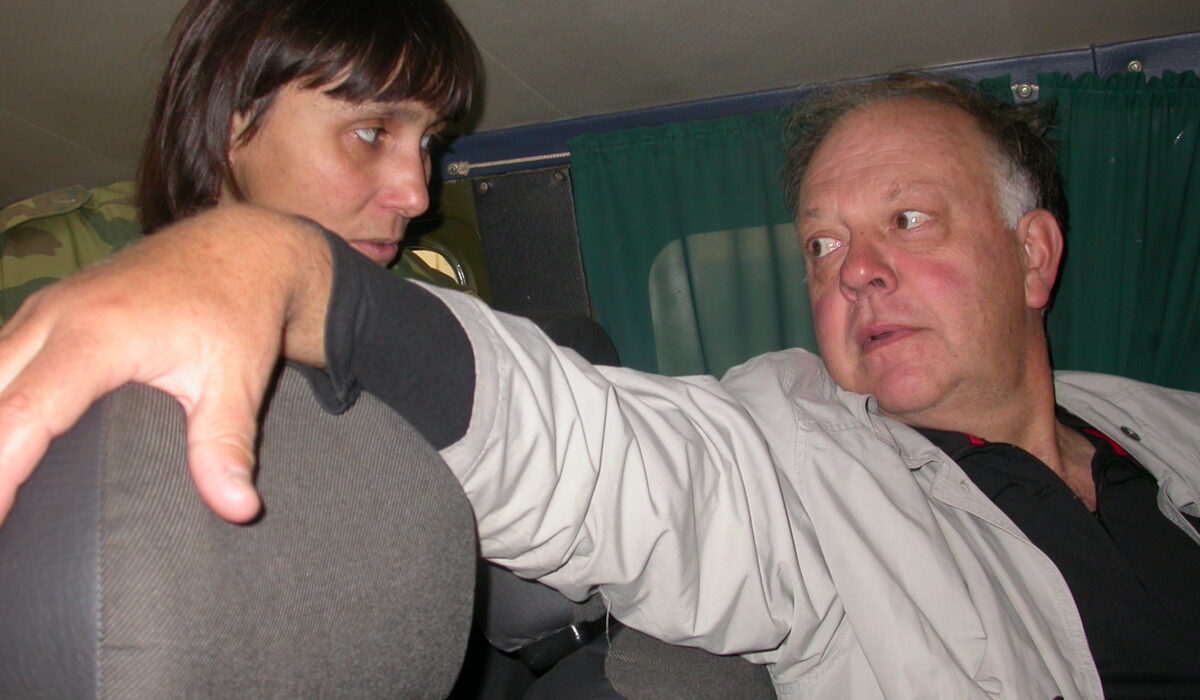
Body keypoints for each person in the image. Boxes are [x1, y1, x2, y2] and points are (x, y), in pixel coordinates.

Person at [1, 73, 1198, 698]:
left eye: (909, 220)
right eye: (822, 244)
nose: (855, 269)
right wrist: (293, 274)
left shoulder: (1169, 428)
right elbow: (601, 451)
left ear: (1032, 255)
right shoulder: (808, 460)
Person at [0, 0, 477, 325]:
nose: (415, 197)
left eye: (428, 142)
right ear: (227, 122)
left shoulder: (438, 312)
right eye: (371, 133)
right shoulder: (36, 271)